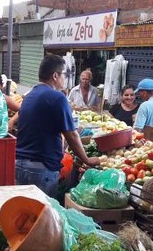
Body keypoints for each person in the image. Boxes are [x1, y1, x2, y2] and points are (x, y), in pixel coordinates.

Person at [16, 55, 100, 197]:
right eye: (64, 75)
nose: (64, 79)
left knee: (26, 214)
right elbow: (71, 134)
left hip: (20, 165)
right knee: (44, 216)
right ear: (55, 75)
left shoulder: (30, 95)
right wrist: (86, 159)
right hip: (41, 168)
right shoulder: (57, 97)